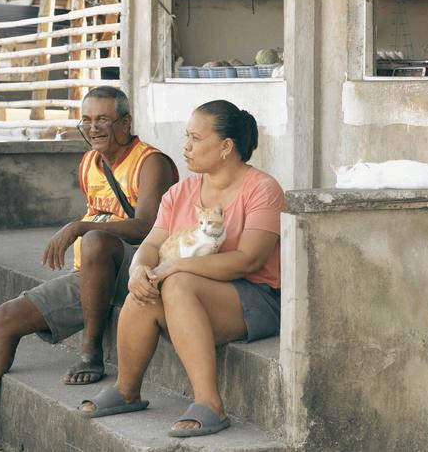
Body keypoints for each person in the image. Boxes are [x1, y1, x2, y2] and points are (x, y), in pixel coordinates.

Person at [0, 86, 177, 451]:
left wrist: (80, 227)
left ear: (125, 123)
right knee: (5, 317)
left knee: (95, 239)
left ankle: (90, 351)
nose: (93, 128)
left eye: (103, 120)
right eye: (87, 120)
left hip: (140, 272)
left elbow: (147, 226)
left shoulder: (151, 163)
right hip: (93, 274)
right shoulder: (90, 163)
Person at [77, 100, 285, 439]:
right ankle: (126, 390)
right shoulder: (180, 192)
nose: (185, 146)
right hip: (193, 297)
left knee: (175, 282)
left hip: (255, 298)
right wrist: (138, 270)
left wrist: (174, 267)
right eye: (187, 136)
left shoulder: (263, 189)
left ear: (226, 147)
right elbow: (151, 245)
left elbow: (249, 259)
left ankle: (210, 403)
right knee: (147, 286)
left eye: (195, 138)